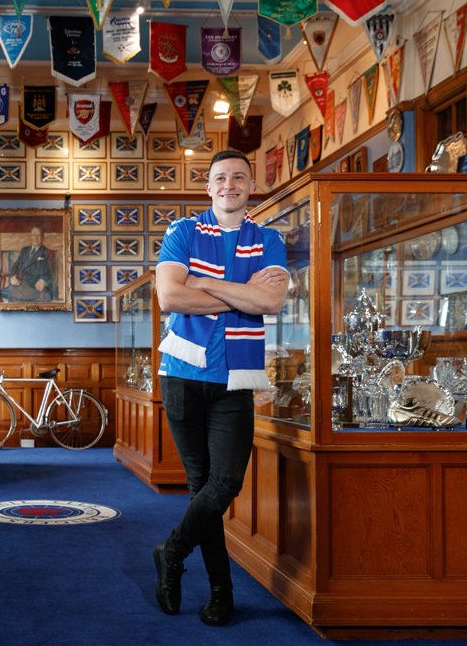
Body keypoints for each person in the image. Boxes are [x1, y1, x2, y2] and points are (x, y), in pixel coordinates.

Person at [152, 148, 290, 626]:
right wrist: (240, 290)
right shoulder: (183, 231)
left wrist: (205, 284)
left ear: (250, 186)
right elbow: (169, 295)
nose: (229, 185)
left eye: (238, 178)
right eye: (220, 178)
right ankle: (220, 592)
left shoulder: (268, 238)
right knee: (200, 487)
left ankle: (171, 552)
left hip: (237, 379)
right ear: (208, 186)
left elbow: (270, 300)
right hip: (184, 375)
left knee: (225, 482)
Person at [2, 226, 56, 302]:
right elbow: (15, 266)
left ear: (42, 237)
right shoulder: (24, 250)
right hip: (20, 283)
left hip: (34, 287)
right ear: (31, 237)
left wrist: (44, 280)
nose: (36, 238)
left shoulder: (47, 253)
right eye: (34, 235)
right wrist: (12, 277)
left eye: (38, 235)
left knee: (13, 293)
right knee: (2, 293)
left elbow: (51, 272)